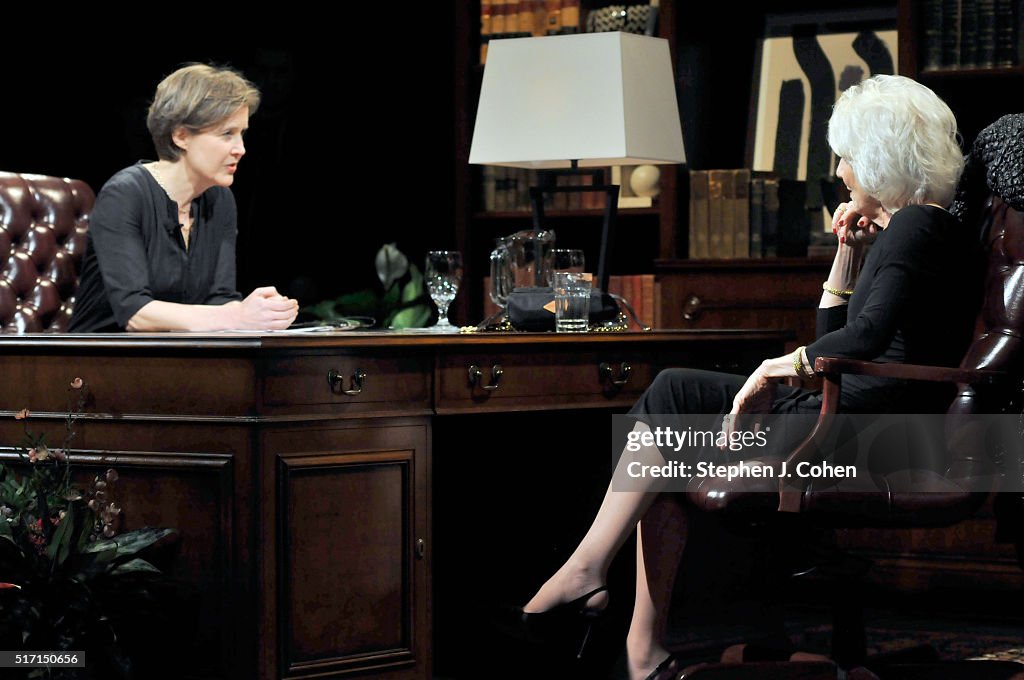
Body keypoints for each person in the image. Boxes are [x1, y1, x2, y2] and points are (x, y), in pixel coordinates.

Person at [519, 74, 982, 680]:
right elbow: (836, 331)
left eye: (844, 156)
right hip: (861, 410)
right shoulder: (914, 230)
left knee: (674, 396)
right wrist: (847, 256)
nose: (840, 171)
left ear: (875, 156)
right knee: (670, 425)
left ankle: (601, 594)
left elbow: (860, 341)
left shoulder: (918, 226)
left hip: (865, 427)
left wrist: (778, 367)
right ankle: (633, 636)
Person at [69, 63, 299, 332]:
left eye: (242, 134)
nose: (241, 149)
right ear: (181, 136)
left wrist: (262, 313)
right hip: (102, 359)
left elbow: (220, 298)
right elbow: (135, 313)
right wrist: (235, 317)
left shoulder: (220, 200)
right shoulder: (124, 194)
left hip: (181, 358)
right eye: (227, 134)